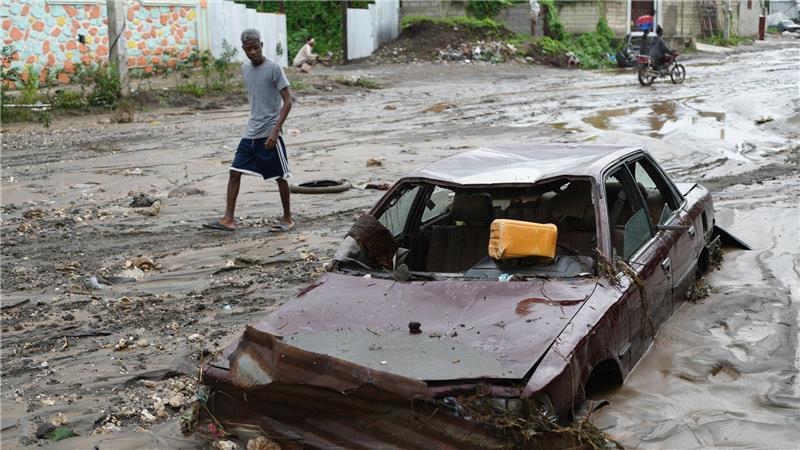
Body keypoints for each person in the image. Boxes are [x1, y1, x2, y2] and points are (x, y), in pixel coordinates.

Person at [204, 28, 294, 232]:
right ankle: (228, 219)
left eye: (255, 48)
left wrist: (275, 131)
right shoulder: (245, 69)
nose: (252, 52)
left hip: (269, 134)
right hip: (250, 134)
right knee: (234, 172)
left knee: (280, 177)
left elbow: (288, 101)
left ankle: (287, 218)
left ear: (261, 46)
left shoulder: (274, 68)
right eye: (248, 49)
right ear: (243, 49)